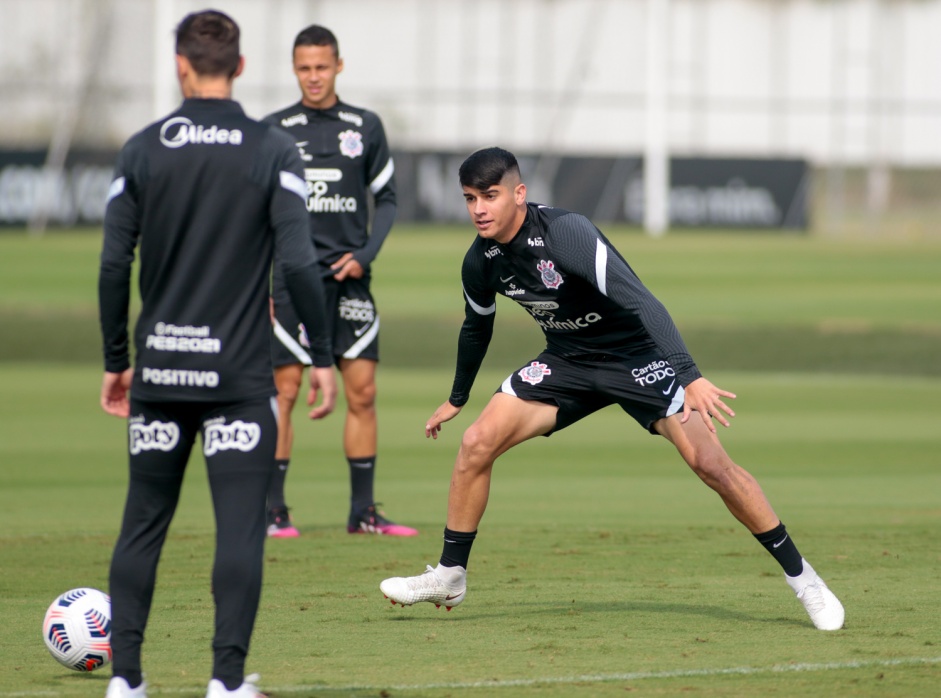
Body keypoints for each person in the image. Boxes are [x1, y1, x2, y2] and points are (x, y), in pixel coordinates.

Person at [379, 147, 845, 631]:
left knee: (712, 465)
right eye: (470, 198)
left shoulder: (567, 233)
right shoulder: (481, 260)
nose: (478, 208)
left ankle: (805, 579)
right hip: (568, 361)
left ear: (519, 193)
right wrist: (457, 398)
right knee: (476, 443)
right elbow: (476, 328)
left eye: (490, 196)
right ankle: (451, 576)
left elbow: (641, 301)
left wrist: (689, 374)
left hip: (637, 358)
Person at [98, 10, 338, 698]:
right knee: (239, 528)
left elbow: (115, 264)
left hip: (161, 373)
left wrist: (117, 356)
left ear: (180, 64)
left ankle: (127, 682)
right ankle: (226, 682)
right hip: (236, 378)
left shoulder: (143, 149)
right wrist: (320, 353)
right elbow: (298, 264)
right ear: (238, 66)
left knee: (143, 522)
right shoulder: (270, 150)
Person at [263, 24, 416, 538]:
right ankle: (273, 511)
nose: (313, 76)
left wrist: (366, 254)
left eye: (321, 67)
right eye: (304, 68)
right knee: (284, 391)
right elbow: (255, 213)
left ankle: (363, 513)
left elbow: (389, 198)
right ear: (294, 69)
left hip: (350, 281)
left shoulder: (365, 125)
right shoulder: (273, 129)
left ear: (339, 66)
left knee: (364, 392)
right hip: (289, 279)